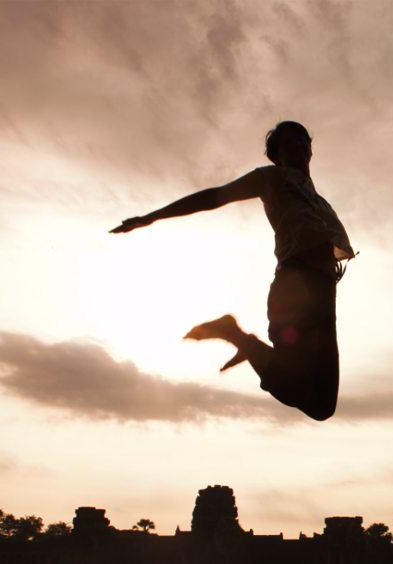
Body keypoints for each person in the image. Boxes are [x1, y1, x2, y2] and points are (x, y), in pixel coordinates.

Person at [111, 121, 354, 421]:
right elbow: (216, 196)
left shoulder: (319, 199)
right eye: (287, 142)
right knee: (293, 387)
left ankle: (249, 346)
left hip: (325, 294)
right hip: (296, 285)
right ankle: (233, 334)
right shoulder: (274, 178)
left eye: (302, 140)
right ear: (276, 156)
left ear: (311, 149)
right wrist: (152, 217)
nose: (297, 145)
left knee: (321, 406)